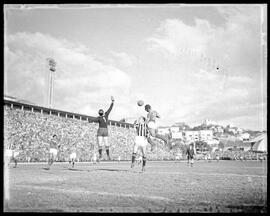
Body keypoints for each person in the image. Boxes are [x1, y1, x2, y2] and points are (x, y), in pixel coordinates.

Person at [91, 96, 114, 161]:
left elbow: (110, 108)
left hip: (103, 130)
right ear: (101, 113)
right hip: (102, 130)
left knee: (104, 144)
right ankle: (103, 155)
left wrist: (112, 102)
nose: (101, 112)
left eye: (101, 112)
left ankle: (106, 155)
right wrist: (88, 121)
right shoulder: (100, 117)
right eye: (100, 112)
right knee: (102, 144)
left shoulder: (104, 115)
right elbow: (93, 119)